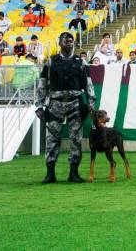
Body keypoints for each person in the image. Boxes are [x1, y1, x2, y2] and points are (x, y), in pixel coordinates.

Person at [36, 32, 96, 184]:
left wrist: (90, 103)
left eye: (71, 41)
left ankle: (74, 173)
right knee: (52, 139)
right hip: (55, 103)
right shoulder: (51, 61)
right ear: (59, 42)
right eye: (66, 41)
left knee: (76, 138)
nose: (69, 43)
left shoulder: (80, 62)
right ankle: (50, 173)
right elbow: (43, 83)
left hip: (75, 102)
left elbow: (88, 83)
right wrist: (39, 106)